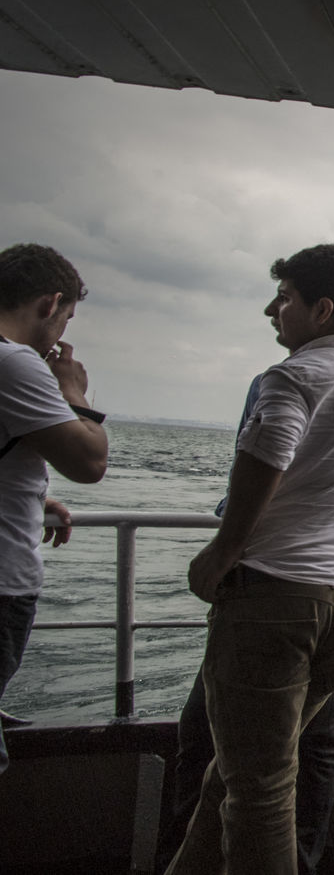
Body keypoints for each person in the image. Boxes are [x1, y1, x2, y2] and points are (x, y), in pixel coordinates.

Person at [163, 245, 334, 875]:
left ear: (321, 310)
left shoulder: (292, 376)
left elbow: (270, 452)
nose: (272, 310)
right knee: (234, 775)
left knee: (258, 792)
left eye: (284, 298)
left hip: (275, 600)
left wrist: (223, 551)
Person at [0, 243, 108, 776]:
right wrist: (74, 392)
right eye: (66, 318)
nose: (61, 331)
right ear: (50, 304)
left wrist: (32, 497)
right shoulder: (15, 362)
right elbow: (89, 462)